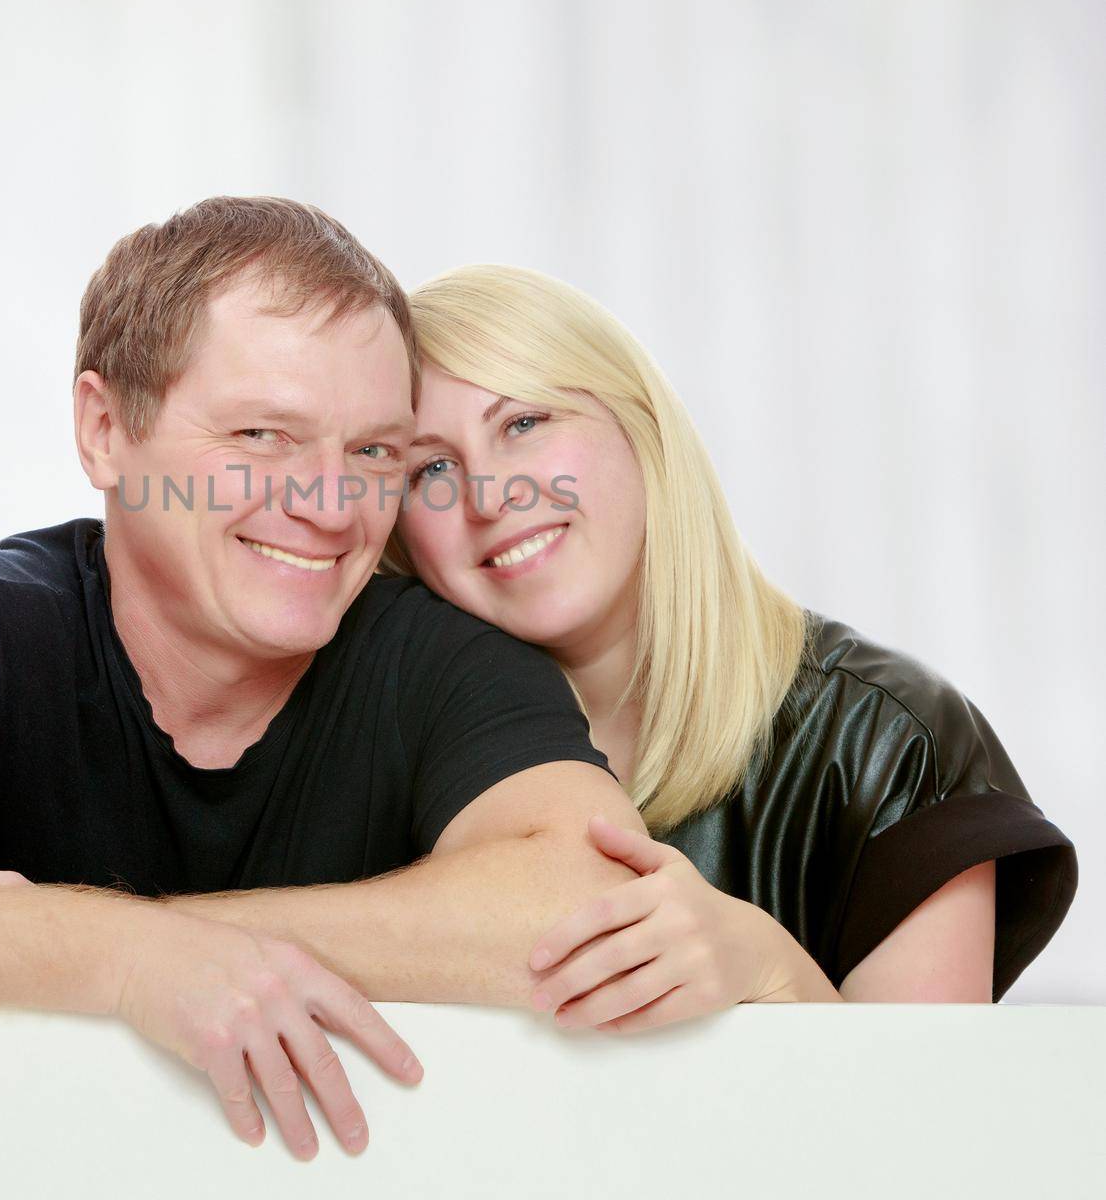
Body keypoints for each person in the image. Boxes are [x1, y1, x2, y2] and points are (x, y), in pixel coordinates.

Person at [0, 199, 648, 1160]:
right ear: (105, 430)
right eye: (259, 436)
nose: (334, 505)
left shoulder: (437, 654)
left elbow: (595, 905)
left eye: (373, 451)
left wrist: (139, 938)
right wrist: (119, 961)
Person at [387, 263, 1077, 1030]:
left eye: (523, 423)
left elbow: (929, 1138)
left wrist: (770, 967)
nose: (487, 496)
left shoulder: (889, 739)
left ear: (641, 428)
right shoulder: (368, 754)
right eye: (432, 469)